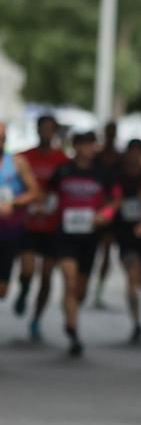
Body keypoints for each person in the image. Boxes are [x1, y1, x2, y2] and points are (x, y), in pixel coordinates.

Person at [47, 129, 119, 357]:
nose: (88, 149)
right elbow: (48, 196)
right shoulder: (63, 171)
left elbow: (115, 200)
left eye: (91, 144)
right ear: (75, 146)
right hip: (65, 235)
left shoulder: (102, 173)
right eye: (83, 144)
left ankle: (72, 310)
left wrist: (105, 214)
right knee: (69, 280)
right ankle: (72, 328)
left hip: (90, 236)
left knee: (80, 289)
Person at [14, 113, 68, 341]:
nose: (46, 132)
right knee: (27, 269)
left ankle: (36, 318)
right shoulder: (24, 157)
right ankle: (24, 289)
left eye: (50, 129)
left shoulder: (63, 160)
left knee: (46, 276)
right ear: (36, 130)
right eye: (43, 128)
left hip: (52, 225)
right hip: (28, 222)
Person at [109, 139, 141, 344]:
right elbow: (112, 200)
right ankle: (136, 321)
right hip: (125, 234)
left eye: (139, 152)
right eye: (131, 152)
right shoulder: (118, 176)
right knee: (132, 276)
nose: (134, 156)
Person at [0, 120, 43, 308]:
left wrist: (14, 203)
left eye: (1, 138)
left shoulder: (17, 162)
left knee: (3, 289)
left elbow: (35, 192)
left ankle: (24, 290)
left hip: (11, 231)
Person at [91, 122, 122, 309]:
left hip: (111, 209)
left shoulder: (119, 157)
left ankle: (99, 289)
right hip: (94, 207)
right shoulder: (97, 156)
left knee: (107, 252)